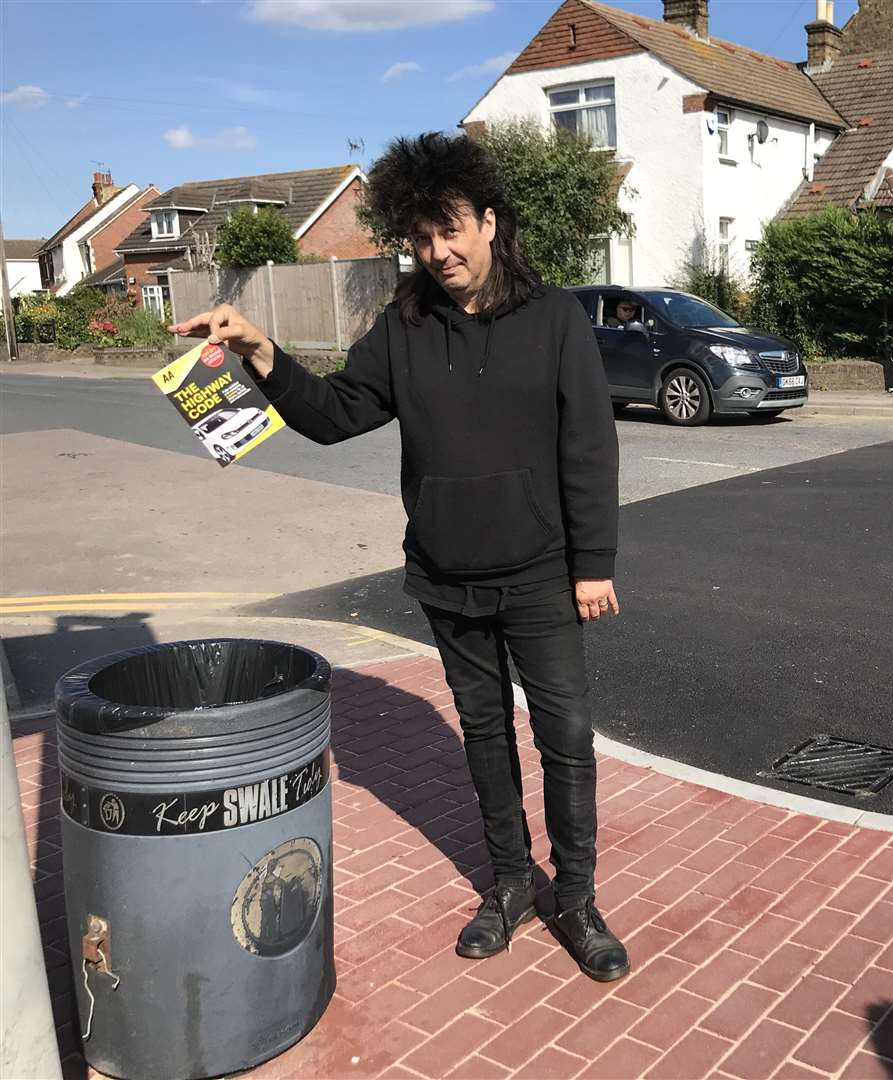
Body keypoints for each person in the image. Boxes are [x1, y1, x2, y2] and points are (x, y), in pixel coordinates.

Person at [169, 132, 629, 982]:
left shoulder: (556, 317)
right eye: (420, 238)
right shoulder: (404, 325)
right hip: (447, 574)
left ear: (489, 222)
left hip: (540, 570)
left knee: (565, 737)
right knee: (484, 734)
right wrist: (261, 353)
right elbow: (338, 411)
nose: (438, 252)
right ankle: (510, 885)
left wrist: (591, 562)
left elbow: (589, 448)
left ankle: (577, 895)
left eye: (450, 230)